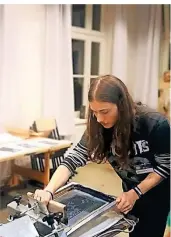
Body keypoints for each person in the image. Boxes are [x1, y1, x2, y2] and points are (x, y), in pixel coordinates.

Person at [34, 75, 170, 237]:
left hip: (158, 191)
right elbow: (73, 158)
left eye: (104, 112)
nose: (99, 119)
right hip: (129, 189)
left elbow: (165, 166)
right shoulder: (98, 126)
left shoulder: (154, 123)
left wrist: (136, 193)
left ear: (122, 105)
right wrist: (49, 190)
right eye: (94, 112)